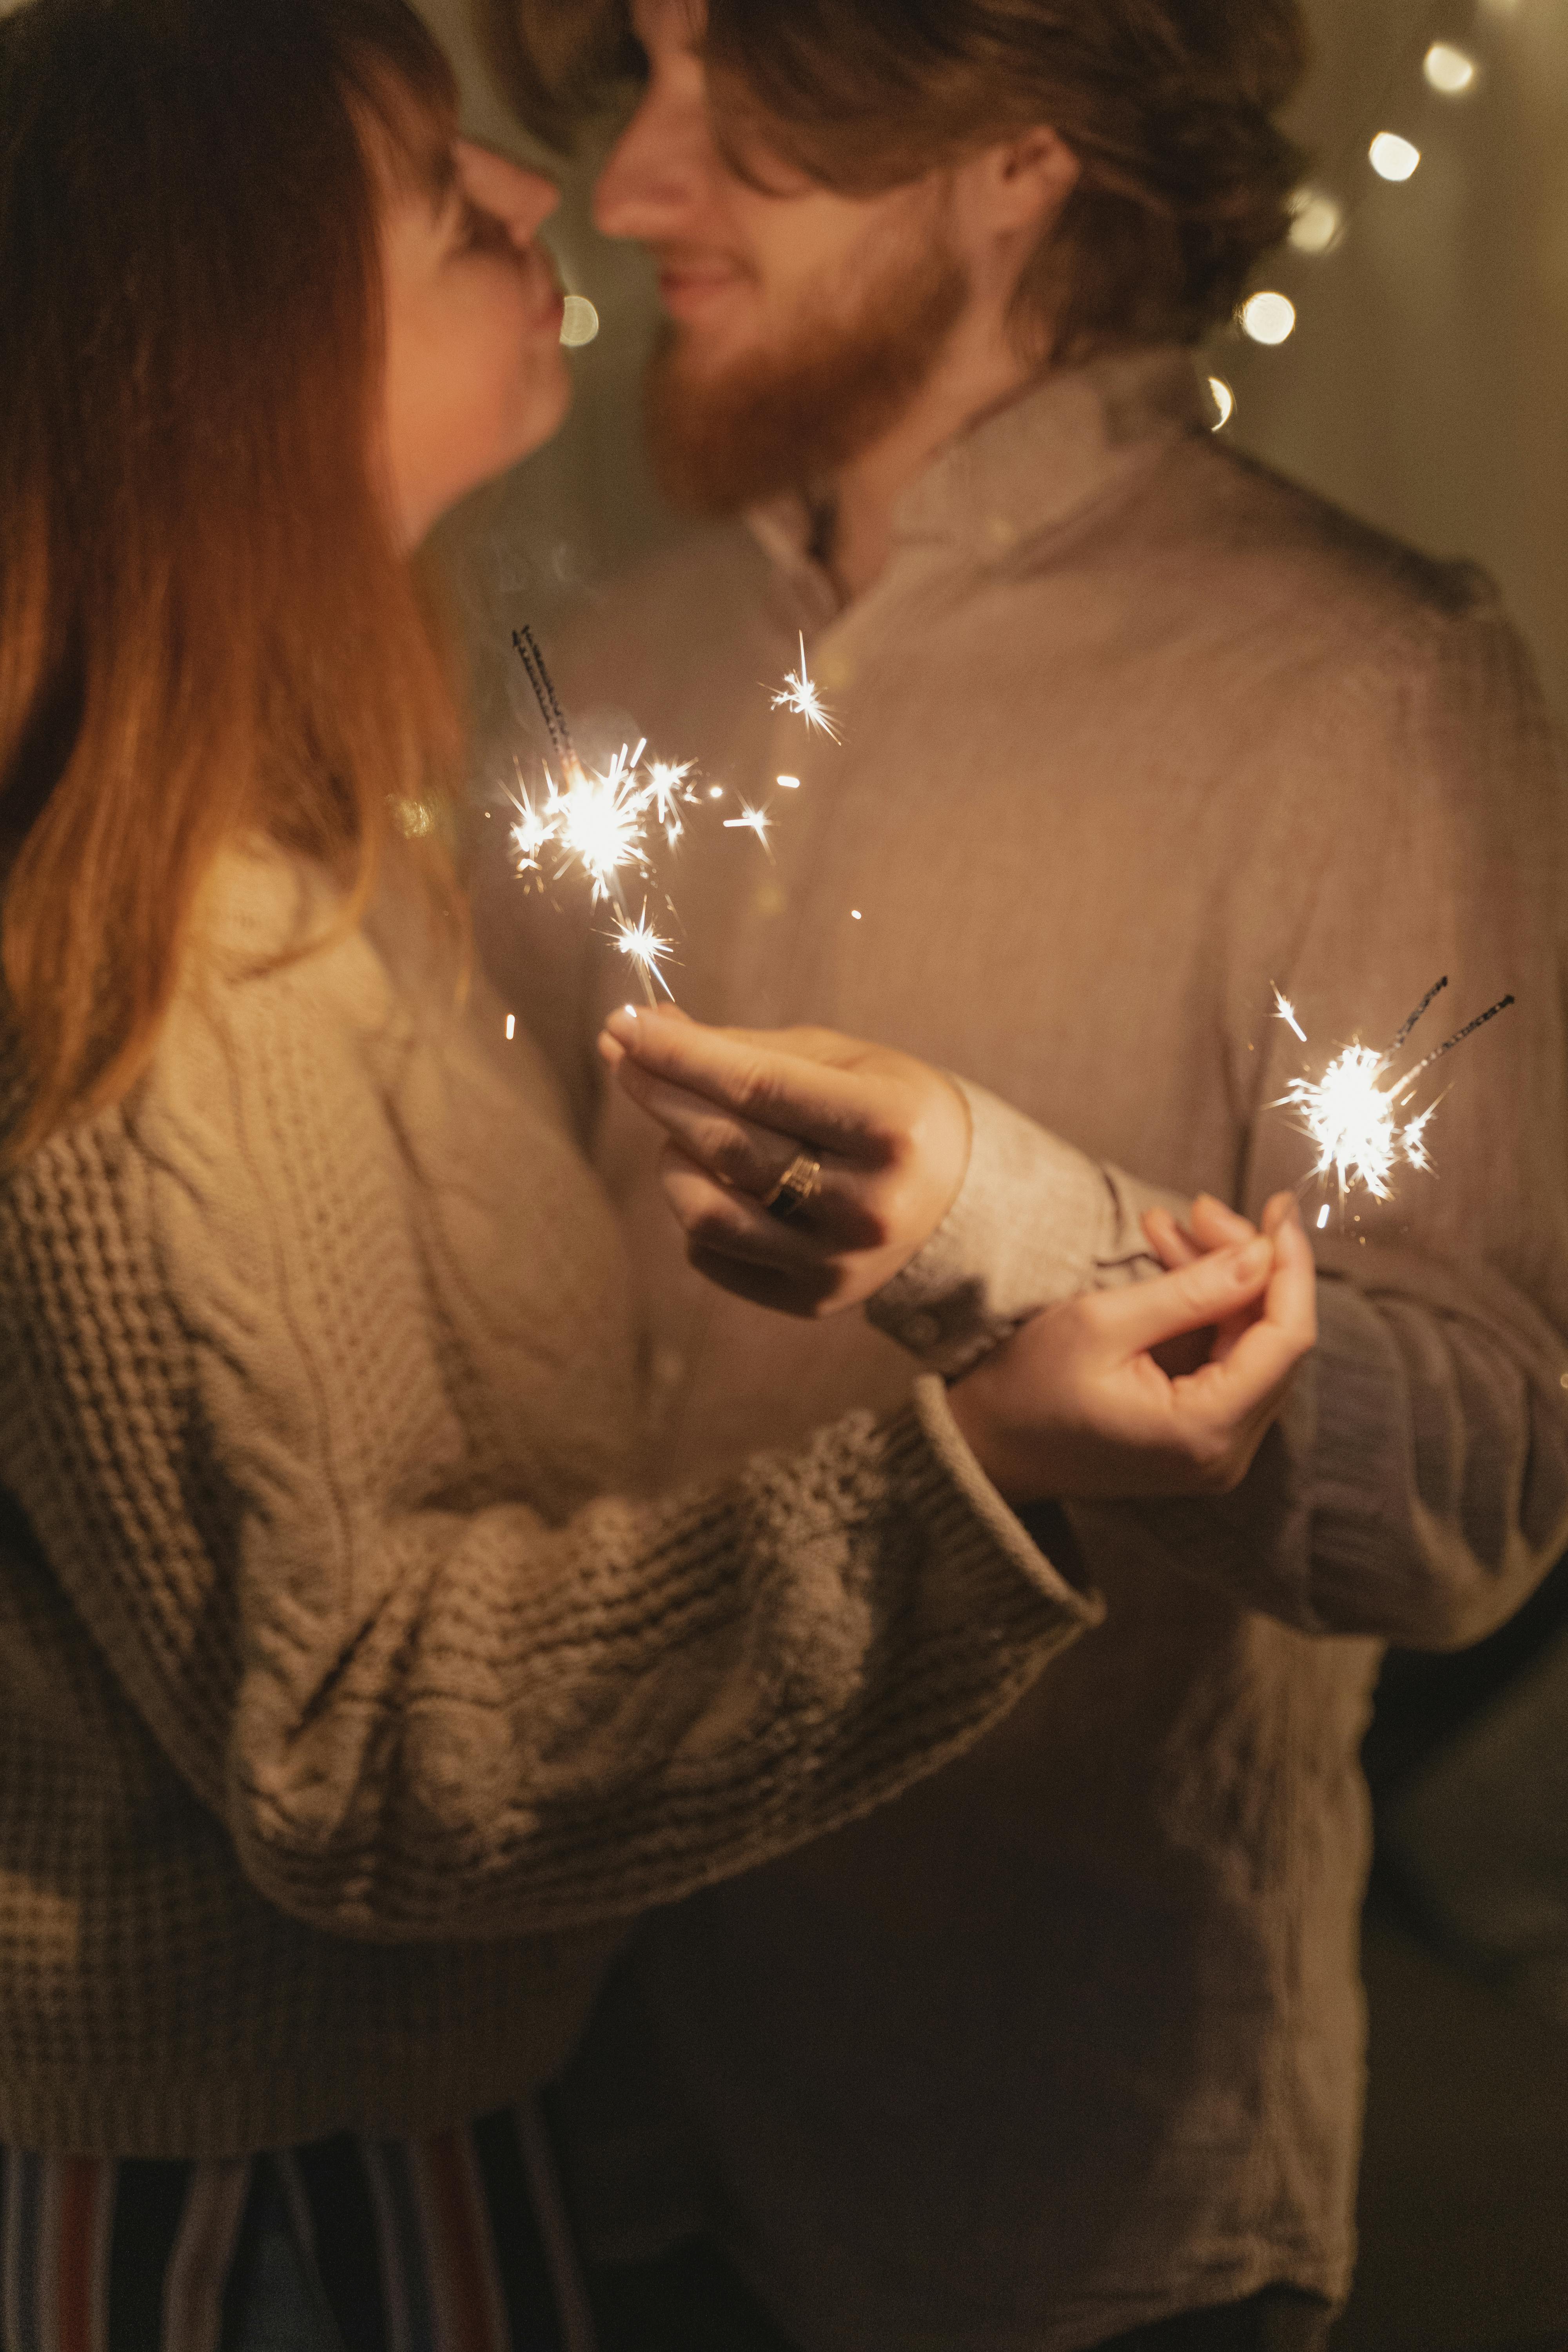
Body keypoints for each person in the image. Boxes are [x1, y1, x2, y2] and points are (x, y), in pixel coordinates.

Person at [0, 1, 1317, 2345]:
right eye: (441, 190)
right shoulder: (135, 974)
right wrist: (977, 1469)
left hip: (473, 2131)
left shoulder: (342, 865)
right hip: (252, 2215)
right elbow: (348, 1739)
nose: (559, 194)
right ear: (233, 329)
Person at [476, 0, 1568, 2345]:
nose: (636, 192)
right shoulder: (639, 665)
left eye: (738, 116)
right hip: (595, 2134)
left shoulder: (1355, 681)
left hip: (1055, 2200)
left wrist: (995, 1228)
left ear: (1009, 161)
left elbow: (1485, 1480)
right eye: (636, 89)